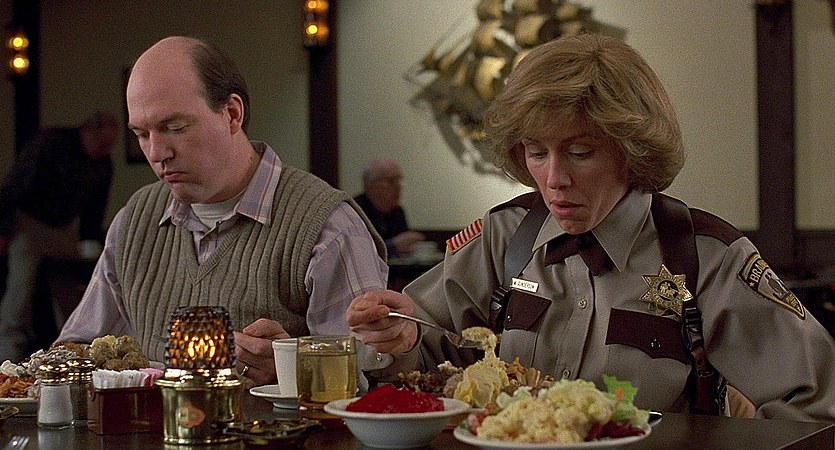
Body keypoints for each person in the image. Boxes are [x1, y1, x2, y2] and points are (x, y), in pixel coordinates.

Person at [347, 34, 835, 423]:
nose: (554, 179)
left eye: (580, 152)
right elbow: (427, 354)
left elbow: (816, 405)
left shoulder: (706, 258)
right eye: (537, 152)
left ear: (631, 151)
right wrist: (399, 339)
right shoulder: (504, 237)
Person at [56, 36, 389, 388]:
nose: (156, 153)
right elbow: (73, 353)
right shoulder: (135, 221)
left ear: (232, 113)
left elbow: (373, 379)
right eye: (142, 134)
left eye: (174, 128)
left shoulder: (326, 224)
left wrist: (293, 373)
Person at [0, 111, 116, 362]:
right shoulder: (50, 143)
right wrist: (3, 229)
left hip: (65, 227)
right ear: (89, 131)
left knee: (73, 290)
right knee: (20, 290)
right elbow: (15, 183)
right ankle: (7, 353)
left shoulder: (102, 163)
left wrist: (92, 243)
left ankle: (73, 350)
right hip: (29, 223)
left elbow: (96, 208)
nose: (104, 151)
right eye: (102, 143)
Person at [354, 157, 426, 257]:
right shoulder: (355, 211)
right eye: (391, 181)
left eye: (399, 180)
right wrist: (393, 245)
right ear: (371, 185)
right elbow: (358, 251)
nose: (398, 186)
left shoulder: (397, 211)